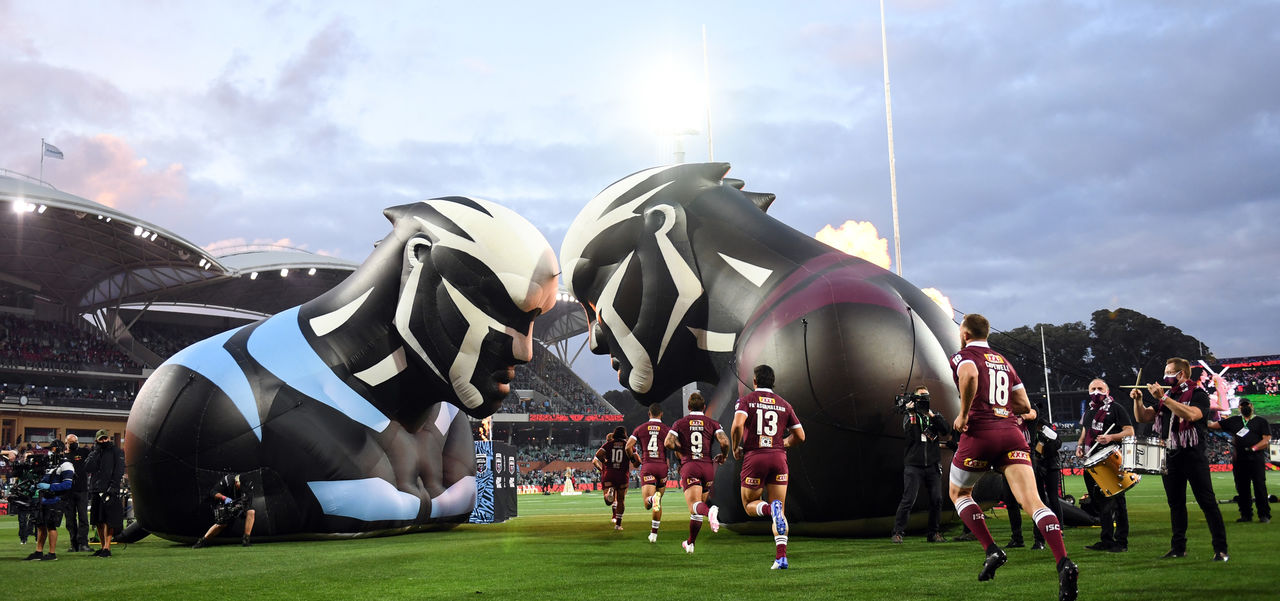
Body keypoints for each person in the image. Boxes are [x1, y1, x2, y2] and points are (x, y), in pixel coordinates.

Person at [947, 314, 1076, 601]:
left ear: (965, 334)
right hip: (1011, 434)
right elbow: (1024, 405)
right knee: (1033, 501)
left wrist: (964, 413)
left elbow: (968, 374)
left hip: (980, 433)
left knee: (959, 493)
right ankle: (1063, 562)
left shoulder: (963, 355)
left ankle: (992, 549)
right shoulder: (1004, 361)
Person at [1130, 357, 1229, 561]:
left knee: (1207, 502)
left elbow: (1192, 415)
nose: (1164, 377)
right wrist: (1137, 400)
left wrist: (1164, 399)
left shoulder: (1198, 394)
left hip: (1192, 454)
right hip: (1170, 454)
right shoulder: (1168, 395)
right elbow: (1143, 417)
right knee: (1175, 504)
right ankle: (1178, 547)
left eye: (1168, 372)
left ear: (1181, 374)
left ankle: (1221, 549)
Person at [731, 364, 805, 570]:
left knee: (750, 505)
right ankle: (781, 557)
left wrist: (736, 447)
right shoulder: (784, 404)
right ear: (773, 382)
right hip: (779, 458)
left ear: (755, 381)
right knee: (780, 511)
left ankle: (769, 509)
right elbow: (801, 436)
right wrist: (783, 444)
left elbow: (737, 425)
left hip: (755, 457)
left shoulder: (746, 401)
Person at [666, 392, 729, 554]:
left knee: (694, 506)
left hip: (691, 465)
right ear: (704, 407)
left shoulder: (680, 423)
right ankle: (690, 543)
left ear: (688, 408)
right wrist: (724, 455)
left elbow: (668, 442)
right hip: (707, 468)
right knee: (697, 510)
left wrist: (680, 448)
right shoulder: (712, 423)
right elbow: (724, 441)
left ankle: (711, 512)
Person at [1076, 378, 1135, 552]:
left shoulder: (1116, 408)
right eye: (1093, 388)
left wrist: (1110, 437)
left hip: (1111, 460)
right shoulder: (1089, 411)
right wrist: (1080, 445)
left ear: (1107, 391)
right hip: (1092, 460)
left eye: (1100, 388)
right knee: (1100, 503)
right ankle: (1106, 539)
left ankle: (1121, 541)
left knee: (1117, 501)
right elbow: (1085, 431)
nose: (1096, 392)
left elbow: (1129, 431)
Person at [891, 385, 950, 544]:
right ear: (915, 399)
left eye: (927, 396)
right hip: (914, 465)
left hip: (932, 464)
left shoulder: (934, 414)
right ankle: (898, 532)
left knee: (937, 499)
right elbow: (912, 437)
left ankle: (934, 533)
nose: (924, 399)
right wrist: (911, 414)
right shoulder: (909, 416)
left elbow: (946, 429)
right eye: (921, 397)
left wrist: (931, 415)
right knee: (908, 499)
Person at [1209, 398, 1271, 523]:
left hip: (1256, 458)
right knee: (1242, 488)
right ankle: (1246, 515)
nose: (1245, 407)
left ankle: (1264, 514)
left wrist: (1254, 448)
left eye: (1247, 404)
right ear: (1239, 408)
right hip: (1240, 459)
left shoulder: (1261, 421)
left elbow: (1266, 440)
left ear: (1252, 406)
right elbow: (1213, 425)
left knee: (1259, 486)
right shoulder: (1234, 420)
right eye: (1242, 405)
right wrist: (1198, 419)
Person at [626, 403, 673, 543]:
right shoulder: (666, 429)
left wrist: (634, 460)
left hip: (648, 466)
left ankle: (653, 499)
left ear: (649, 414)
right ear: (661, 414)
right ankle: (654, 534)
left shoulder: (640, 428)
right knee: (658, 502)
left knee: (648, 503)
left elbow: (628, 446)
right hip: (662, 467)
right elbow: (675, 445)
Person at [27, 443, 74, 561]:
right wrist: (37, 486)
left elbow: (67, 484)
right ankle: (39, 552)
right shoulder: (51, 465)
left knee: (51, 526)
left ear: (59, 449)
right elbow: (43, 480)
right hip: (45, 499)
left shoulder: (66, 464)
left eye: (52, 449)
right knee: (41, 525)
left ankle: (52, 553)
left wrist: (49, 486)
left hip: (56, 499)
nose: (51, 452)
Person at [84, 429, 126, 557]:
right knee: (98, 520)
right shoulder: (95, 452)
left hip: (109, 489)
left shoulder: (116, 451)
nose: (103, 441)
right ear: (97, 440)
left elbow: (119, 470)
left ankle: (107, 547)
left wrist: (113, 486)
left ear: (108, 438)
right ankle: (103, 547)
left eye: (105, 438)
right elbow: (87, 468)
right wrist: (95, 452)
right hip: (96, 489)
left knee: (109, 519)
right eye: (101, 439)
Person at [192, 473, 256, 548]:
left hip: (238, 503)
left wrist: (241, 508)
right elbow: (212, 492)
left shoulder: (248, 488)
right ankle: (203, 540)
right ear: (236, 482)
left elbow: (248, 502)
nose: (242, 489)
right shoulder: (228, 480)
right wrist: (224, 498)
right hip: (224, 502)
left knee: (251, 511)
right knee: (222, 524)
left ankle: (246, 539)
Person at [592, 426, 633, 530]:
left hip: (608, 474)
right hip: (622, 474)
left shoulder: (608, 445)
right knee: (621, 499)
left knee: (608, 501)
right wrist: (634, 461)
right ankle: (618, 524)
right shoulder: (627, 444)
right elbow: (635, 458)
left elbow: (597, 456)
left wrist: (604, 463)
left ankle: (609, 494)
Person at [62, 433, 91, 552]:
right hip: (67, 492)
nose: (74, 444)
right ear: (66, 443)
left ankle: (83, 543)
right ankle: (73, 544)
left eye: (75, 441)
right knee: (70, 519)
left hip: (82, 489)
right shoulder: (62, 456)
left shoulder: (84, 452)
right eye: (71, 442)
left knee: (83, 517)